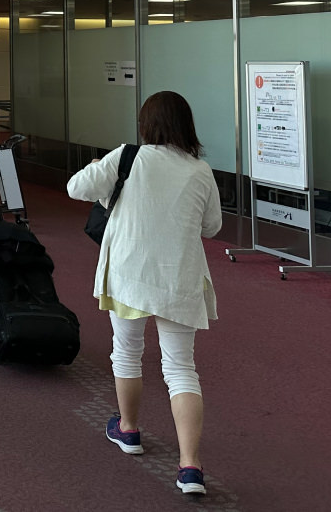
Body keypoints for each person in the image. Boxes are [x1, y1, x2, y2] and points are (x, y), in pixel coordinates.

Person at [66, 91, 221, 496]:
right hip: (178, 277)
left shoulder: (127, 157)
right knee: (181, 368)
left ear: (146, 124)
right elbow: (212, 227)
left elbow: (75, 187)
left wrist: (101, 165)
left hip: (130, 273)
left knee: (127, 351)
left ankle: (129, 429)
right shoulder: (200, 170)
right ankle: (190, 467)